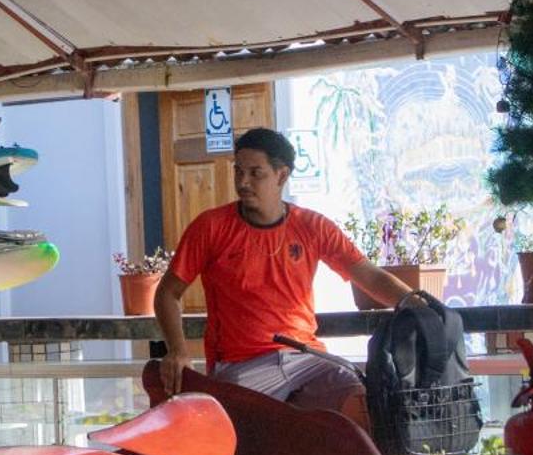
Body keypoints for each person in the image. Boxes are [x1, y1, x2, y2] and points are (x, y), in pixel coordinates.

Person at [153, 127, 417, 418]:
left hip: (307, 357)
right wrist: (177, 350)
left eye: (256, 173)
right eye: (238, 171)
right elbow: (168, 293)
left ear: (282, 176)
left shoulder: (313, 226)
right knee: (249, 445)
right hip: (242, 367)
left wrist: (422, 306)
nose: (243, 182)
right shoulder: (211, 227)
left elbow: (370, 276)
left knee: (363, 403)